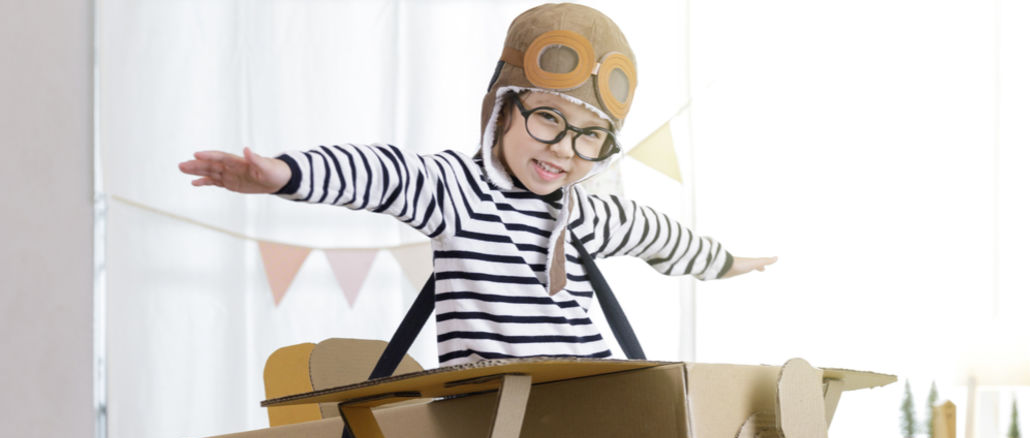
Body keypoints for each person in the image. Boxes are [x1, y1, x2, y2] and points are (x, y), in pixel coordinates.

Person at [179, 3, 775, 366]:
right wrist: (285, 174)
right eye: (548, 119)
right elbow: (382, 174)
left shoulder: (586, 213)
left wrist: (728, 262)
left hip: (588, 399)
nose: (564, 150)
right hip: (492, 410)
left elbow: (660, 237)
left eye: (589, 137)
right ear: (502, 110)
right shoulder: (457, 191)